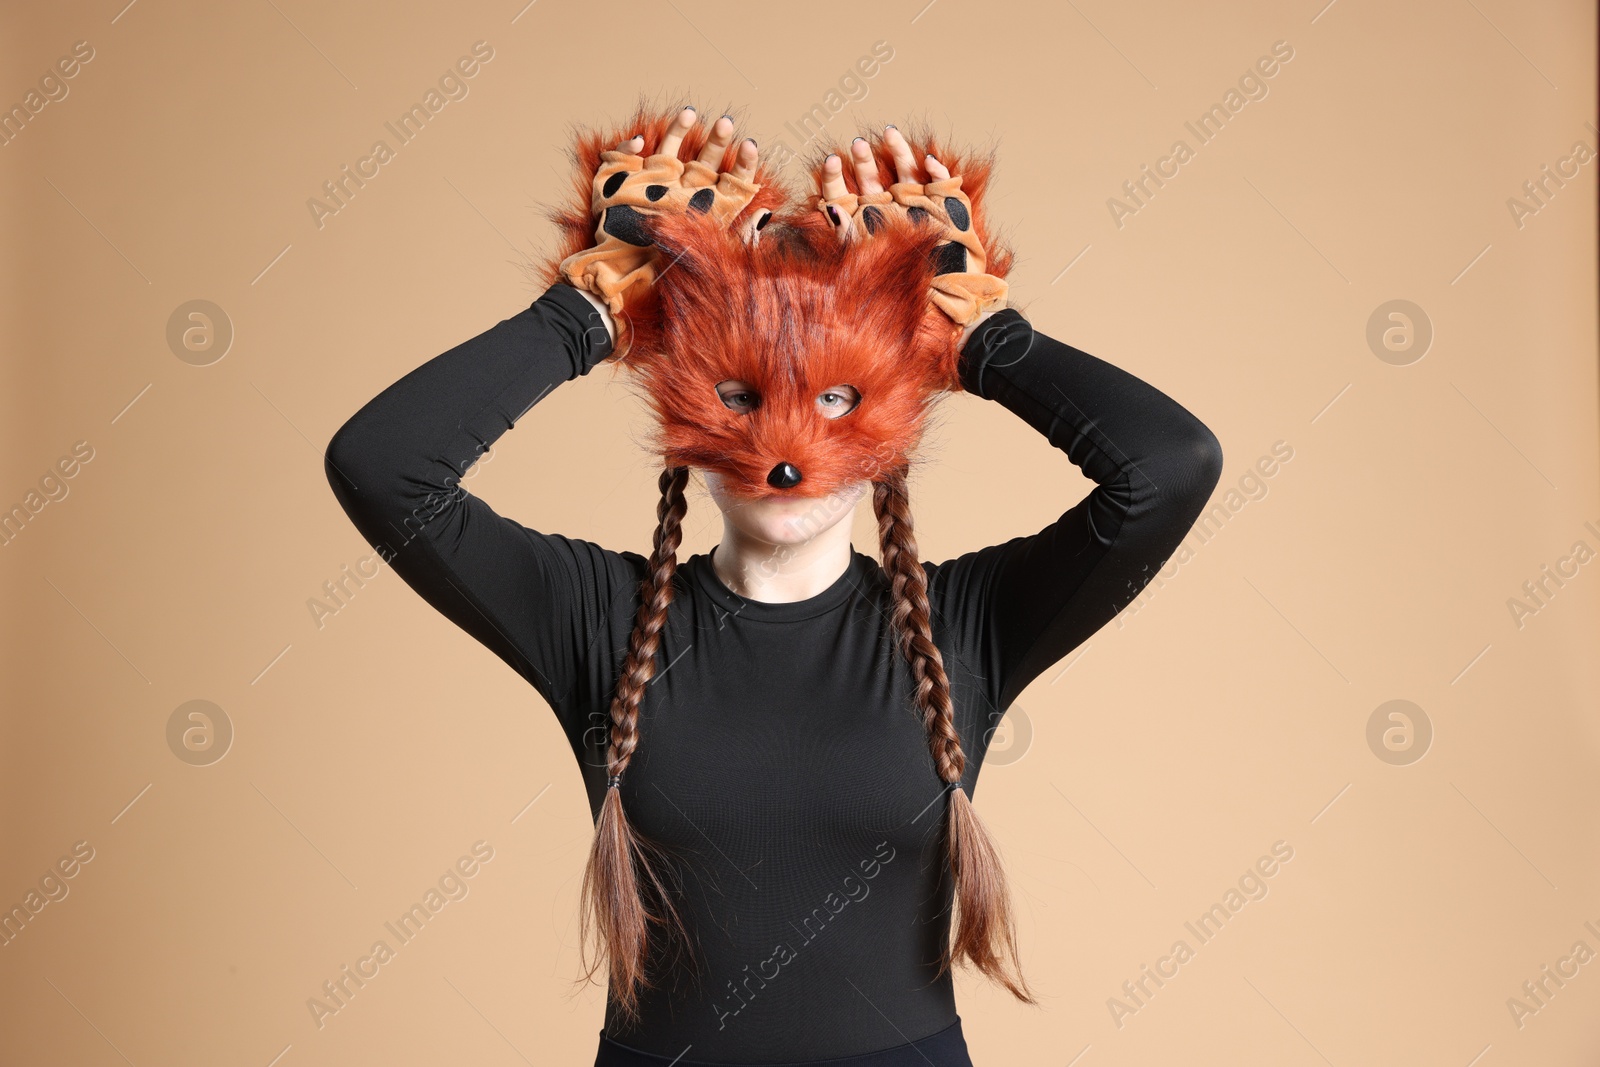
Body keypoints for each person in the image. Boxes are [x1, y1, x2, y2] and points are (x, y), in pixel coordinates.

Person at [324, 103, 1224, 1067]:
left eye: (837, 397)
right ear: (685, 410)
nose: (787, 449)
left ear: (886, 424)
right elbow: (382, 467)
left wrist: (984, 340)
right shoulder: (601, 621)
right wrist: (587, 312)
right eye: (742, 396)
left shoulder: (967, 628)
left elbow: (1170, 468)